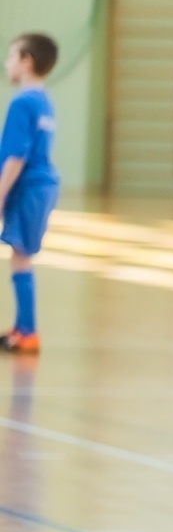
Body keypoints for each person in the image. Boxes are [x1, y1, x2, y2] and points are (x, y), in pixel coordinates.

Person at [0, 33, 60, 355]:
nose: (7, 63)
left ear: (26, 62)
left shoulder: (22, 102)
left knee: (21, 257)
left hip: (29, 187)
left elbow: (16, 155)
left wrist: (0, 193)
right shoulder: (43, 100)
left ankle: (28, 332)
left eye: (11, 57)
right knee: (21, 256)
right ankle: (23, 328)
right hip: (42, 186)